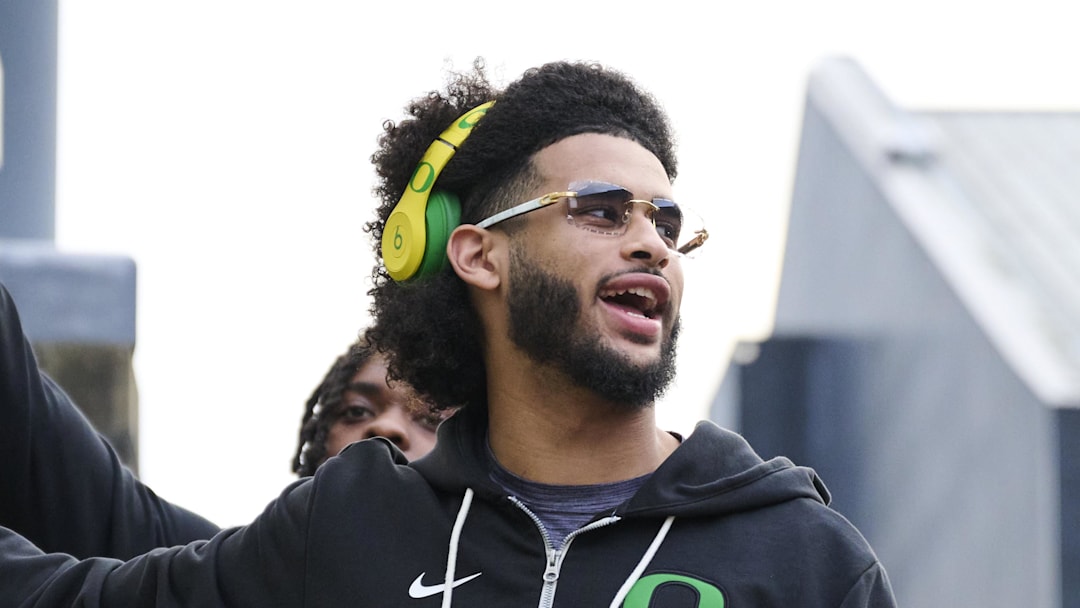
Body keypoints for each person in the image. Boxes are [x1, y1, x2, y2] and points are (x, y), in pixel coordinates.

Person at [0, 59, 896, 606]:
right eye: (600, 209)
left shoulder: (806, 561)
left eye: (666, 221)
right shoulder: (348, 531)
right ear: (477, 256)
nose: (649, 243)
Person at [0, 281, 441, 560]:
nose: (387, 428)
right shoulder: (215, 574)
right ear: (316, 450)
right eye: (357, 411)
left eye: (432, 418)